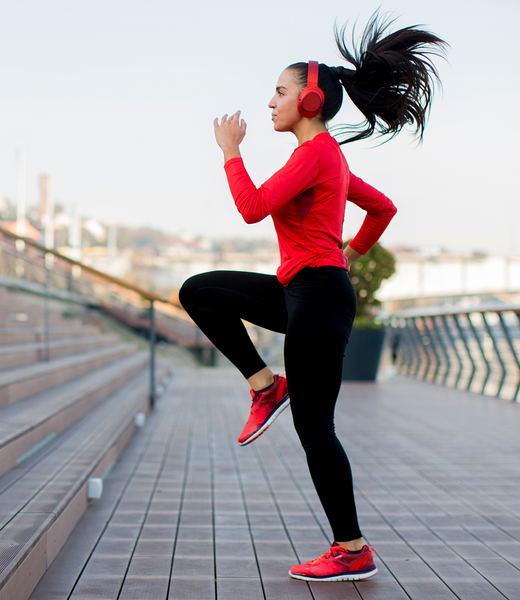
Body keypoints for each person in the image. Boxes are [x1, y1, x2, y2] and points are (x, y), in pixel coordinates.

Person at [179, 12, 446, 582]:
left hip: (318, 297)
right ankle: (265, 384)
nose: (270, 101)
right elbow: (383, 208)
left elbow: (252, 208)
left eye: (280, 91)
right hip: (304, 288)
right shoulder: (328, 159)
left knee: (315, 428)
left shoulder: (317, 154)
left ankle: (351, 548)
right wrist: (351, 251)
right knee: (200, 292)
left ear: (311, 98)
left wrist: (229, 152)